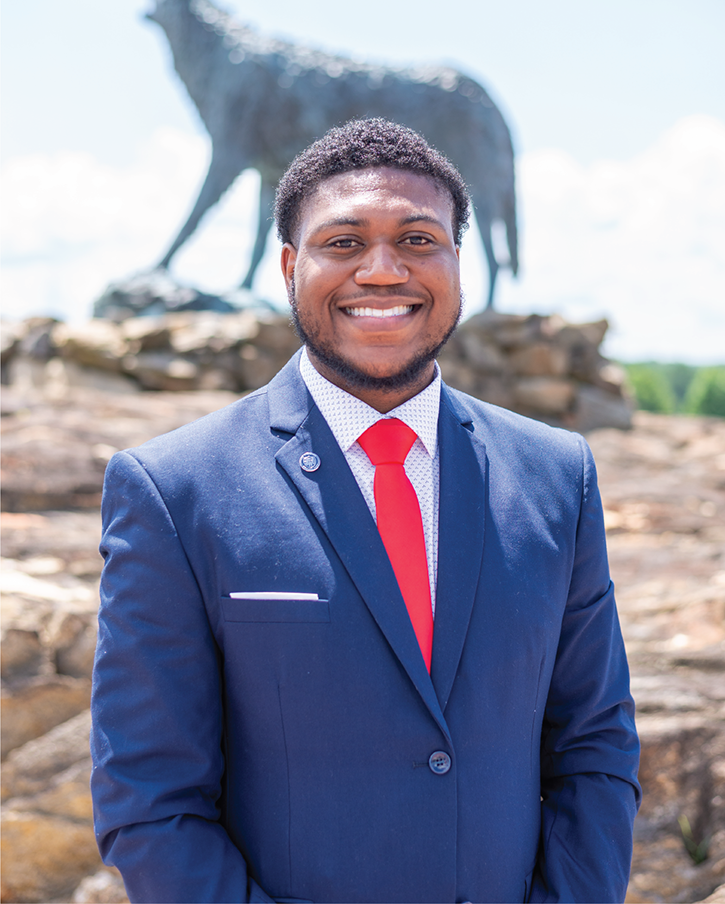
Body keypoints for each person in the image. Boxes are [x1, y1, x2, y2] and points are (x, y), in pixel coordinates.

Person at [90, 118, 640, 904]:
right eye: (343, 243)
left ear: (457, 261)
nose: (382, 271)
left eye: (418, 240)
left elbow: (595, 746)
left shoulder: (558, 473)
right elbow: (147, 796)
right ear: (289, 266)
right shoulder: (173, 488)